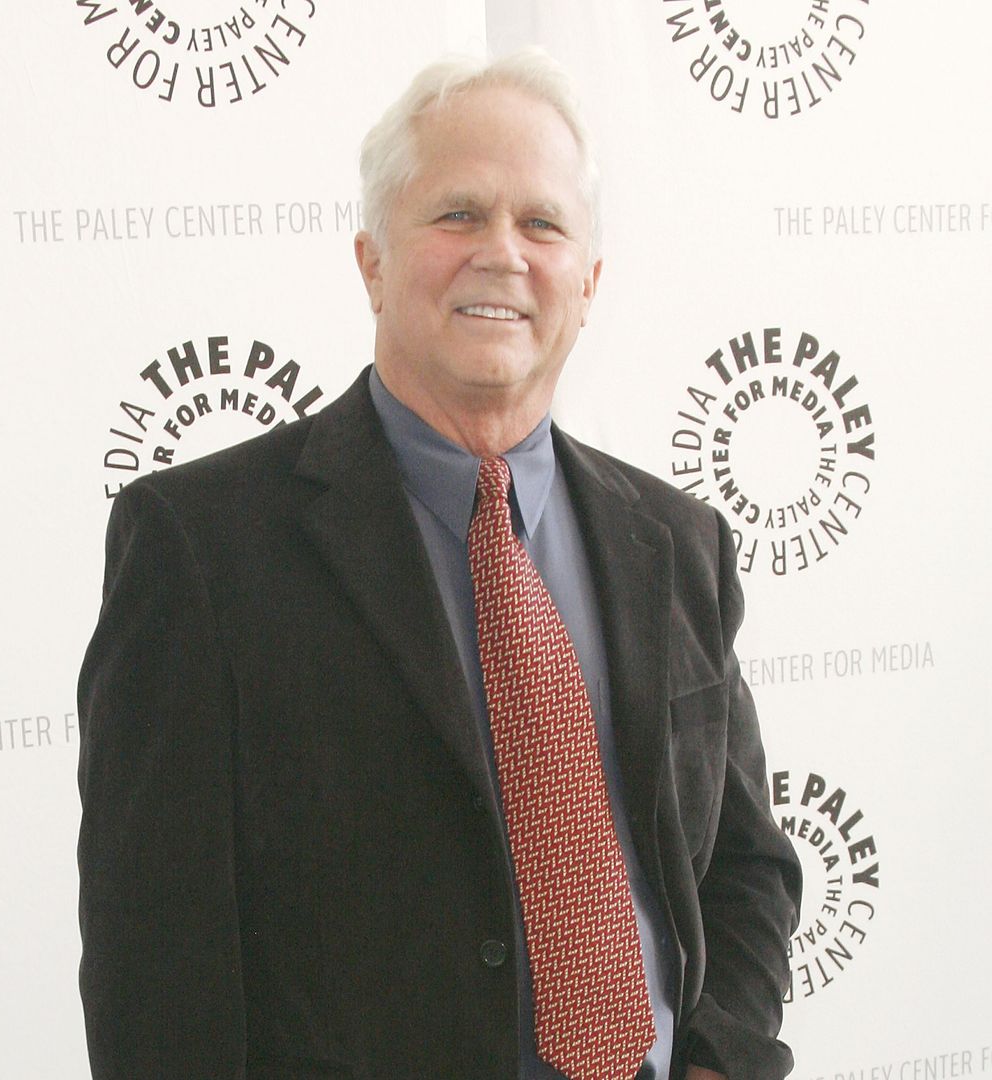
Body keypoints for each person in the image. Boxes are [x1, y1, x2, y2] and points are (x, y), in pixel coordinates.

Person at [78, 49, 801, 1080]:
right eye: (457, 214)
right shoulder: (200, 549)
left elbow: (747, 865)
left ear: (588, 284)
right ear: (372, 258)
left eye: (541, 224)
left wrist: (720, 1060)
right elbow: (156, 968)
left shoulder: (679, 543)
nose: (501, 254)